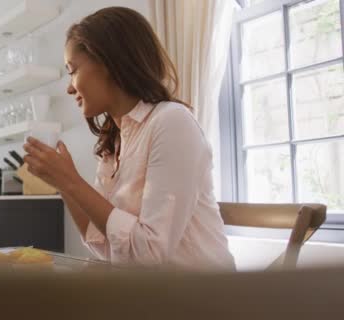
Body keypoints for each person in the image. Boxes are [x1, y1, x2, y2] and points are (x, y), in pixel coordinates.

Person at [23, 7, 234, 270]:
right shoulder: (116, 141)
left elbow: (149, 255)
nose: (69, 87)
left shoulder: (171, 122)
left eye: (73, 70)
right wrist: (63, 184)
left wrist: (71, 180)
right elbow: (102, 244)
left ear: (108, 62)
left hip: (200, 301)